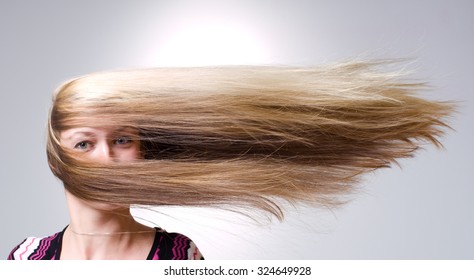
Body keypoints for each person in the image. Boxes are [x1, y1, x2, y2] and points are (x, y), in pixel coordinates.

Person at [8, 60, 454, 260]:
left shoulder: (177, 258)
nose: (106, 157)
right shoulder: (23, 260)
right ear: (57, 156)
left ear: (144, 149)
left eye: (122, 139)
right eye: (84, 143)